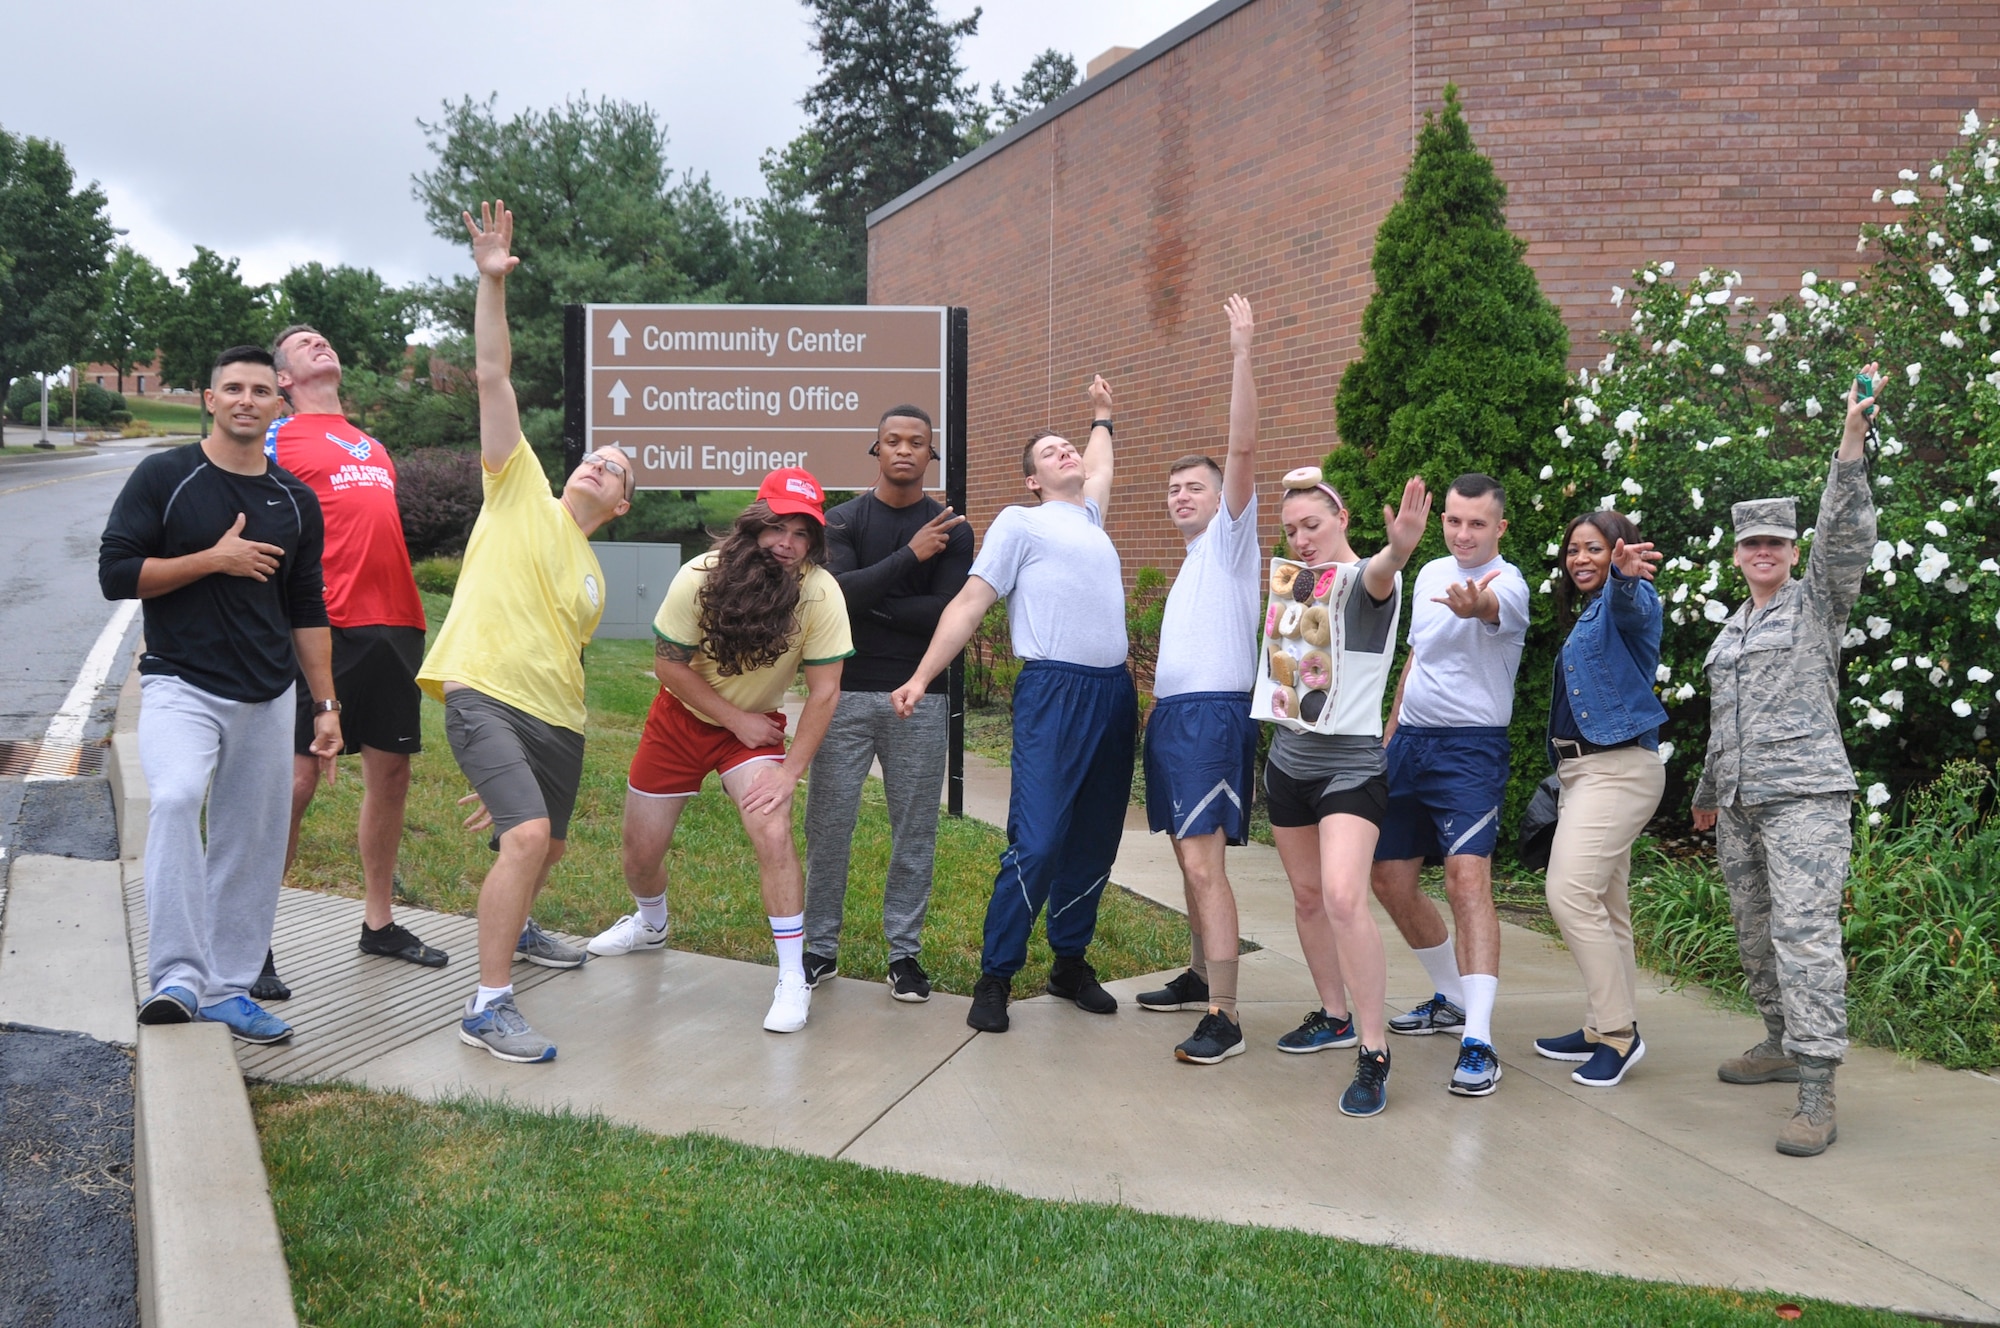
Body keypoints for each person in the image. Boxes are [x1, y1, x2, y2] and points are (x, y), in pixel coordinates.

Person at [418, 201, 632, 1063]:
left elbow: (570, 654)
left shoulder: (594, 573)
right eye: (596, 453)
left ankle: (526, 922)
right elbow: (493, 375)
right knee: (528, 836)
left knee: (545, 841)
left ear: (620, 506)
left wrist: (511, 774)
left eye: (616, 469)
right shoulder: (518, 486)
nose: (598, 463)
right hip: (484, 690)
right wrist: (490, 282)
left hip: (559, 719)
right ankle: (487, 1005)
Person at [99, 345, 341, 1045]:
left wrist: (325, 705)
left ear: (277, 406)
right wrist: (214, 560)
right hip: (182, 681)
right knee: (175, 799)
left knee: (252, 842)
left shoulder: (294, 501)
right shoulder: (166, 477)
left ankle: (230, 987)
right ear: (210, 399)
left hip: (269, 695)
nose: (245, 399)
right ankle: (177, 978)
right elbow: (116, 573)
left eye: (260, 390)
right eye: (232, 387)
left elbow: (307, 607)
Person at [892, 376, 1135, 1034]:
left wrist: (1102, 418)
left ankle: (1069, 964)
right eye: (1050, 451)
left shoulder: (1089, 514)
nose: (1065, 453)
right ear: (1032, 479)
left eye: (1069, 447)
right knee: (1039, 840)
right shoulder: (1020, 523)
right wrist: (922, 677)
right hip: (1053, 691)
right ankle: (995, 975)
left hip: (1113, 695)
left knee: (1093, 841)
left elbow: (1102, 462)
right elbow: (970, 603)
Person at [586, 468, 853, 1034]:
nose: (787, 543)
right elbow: (666, 664)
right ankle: (651, 924)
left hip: (754, 733)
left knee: (773, 831)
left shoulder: (821, 592)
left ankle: (791, 976)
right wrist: (735, 719)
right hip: (681, 721)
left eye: (802, 533)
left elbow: (827, 693)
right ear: (754, 524)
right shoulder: (699, 576)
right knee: (640, 853)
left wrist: (788, 775)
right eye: (777, 526)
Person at [1690, 369, 1879, 1158]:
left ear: (1792, 550)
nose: (1763, 552)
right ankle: (1777, 1043)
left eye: (1775, 542)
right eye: (1751, 543)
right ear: (1737, 554)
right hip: (1739, 804)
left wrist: (1851, 443)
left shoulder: (1815, 603)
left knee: (1804, 937)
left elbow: (1845, 534)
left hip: (1805, 800)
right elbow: (1725, 719)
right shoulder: (1730, 630)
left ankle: (1816, 1091)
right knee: (1755, 933)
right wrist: (1706, 792)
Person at [253, 324, 443, 1002]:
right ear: (283, 379)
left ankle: (379, 922)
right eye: (303, 343)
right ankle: (250, 940)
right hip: (323, 626)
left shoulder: (371, 445)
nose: (320, 343)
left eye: (324, 338)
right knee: (297, 783)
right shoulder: (278, 436)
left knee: (390, 776)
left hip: (395, 623)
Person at [1258, 466, 1430, 1117]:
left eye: (1314, 525)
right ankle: (1332, 1016)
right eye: (1293, 529)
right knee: (1307, 899)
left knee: (1341, 897)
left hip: (1351, 768)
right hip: (1288, 761)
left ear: (1343, 521)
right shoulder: (1296, 585)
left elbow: (1384, 571)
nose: (1302, 539)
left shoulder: (1365, 581)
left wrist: (1401, 547)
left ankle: (1374, 1049)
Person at [798, 406, 971, 1002]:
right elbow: (837, 592)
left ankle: (905, 956)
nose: (904, 450)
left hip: (918, 696)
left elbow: (945, 613)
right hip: (841, 693)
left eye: (916, 442)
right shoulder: (841, 520)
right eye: (892, 441)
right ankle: (819, 949)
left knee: (913, 831)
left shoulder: (951, 526)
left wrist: (872, 599)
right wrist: (910, 561)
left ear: (931, 454)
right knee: (829, 823)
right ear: (876, 449)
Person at [1132, 295, 1264, 1066]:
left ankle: (1225, 1014)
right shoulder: (1191, 568)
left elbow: (1242, 450)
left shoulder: (1230, 542)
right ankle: (1196, 971)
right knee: (1187, 854)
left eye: (1195, 487)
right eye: (1174, 488)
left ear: (1221, 501)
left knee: (1201, 861)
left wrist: (1241, 352)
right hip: (1176, 719)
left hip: (1213, 717)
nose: (1182, 495)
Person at [1370, 474, 1529, 1097]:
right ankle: (1451, 996)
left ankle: (1479, 1041)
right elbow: (1417, 659)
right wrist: (1388, 738)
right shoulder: (1431, 572)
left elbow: (1493, 610)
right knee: (1388, 879)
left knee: (1468, 882)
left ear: (1500, 529)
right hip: (1409, 744)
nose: (1464, 534)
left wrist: (1477, 605)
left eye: (1477, 524)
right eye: (1455, 521)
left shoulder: (1507, 584)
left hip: (1471, 750)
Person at [1532, 509, 1666, 1088]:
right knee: (1608, 909)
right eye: (1573, 550)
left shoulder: (1628, 603)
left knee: (1568, 892)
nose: (1580, 559)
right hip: (1583, 774)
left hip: (1617, 770)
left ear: (1619, 550)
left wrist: (1624, 578)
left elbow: (1630, 605)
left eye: (1594, 548)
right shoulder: (1587, 616)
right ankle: (1600, 1026)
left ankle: (1618, 1033)